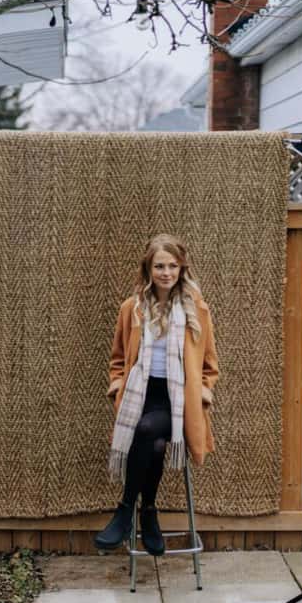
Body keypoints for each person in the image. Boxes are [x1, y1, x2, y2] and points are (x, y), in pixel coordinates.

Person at [94, 234, 219, 556]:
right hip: (141, 394)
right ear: (148, 269)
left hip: (178, 401)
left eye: (172, 266)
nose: (166, 272)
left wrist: (203, 392)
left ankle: (124, 511)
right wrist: (118, 385)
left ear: (181, 268)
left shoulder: (197, 309)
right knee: (156, 443)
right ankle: (148, 512)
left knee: (148, 430)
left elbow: (210, 364)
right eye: (159, 266)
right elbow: (118, 358)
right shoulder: (131, 309)